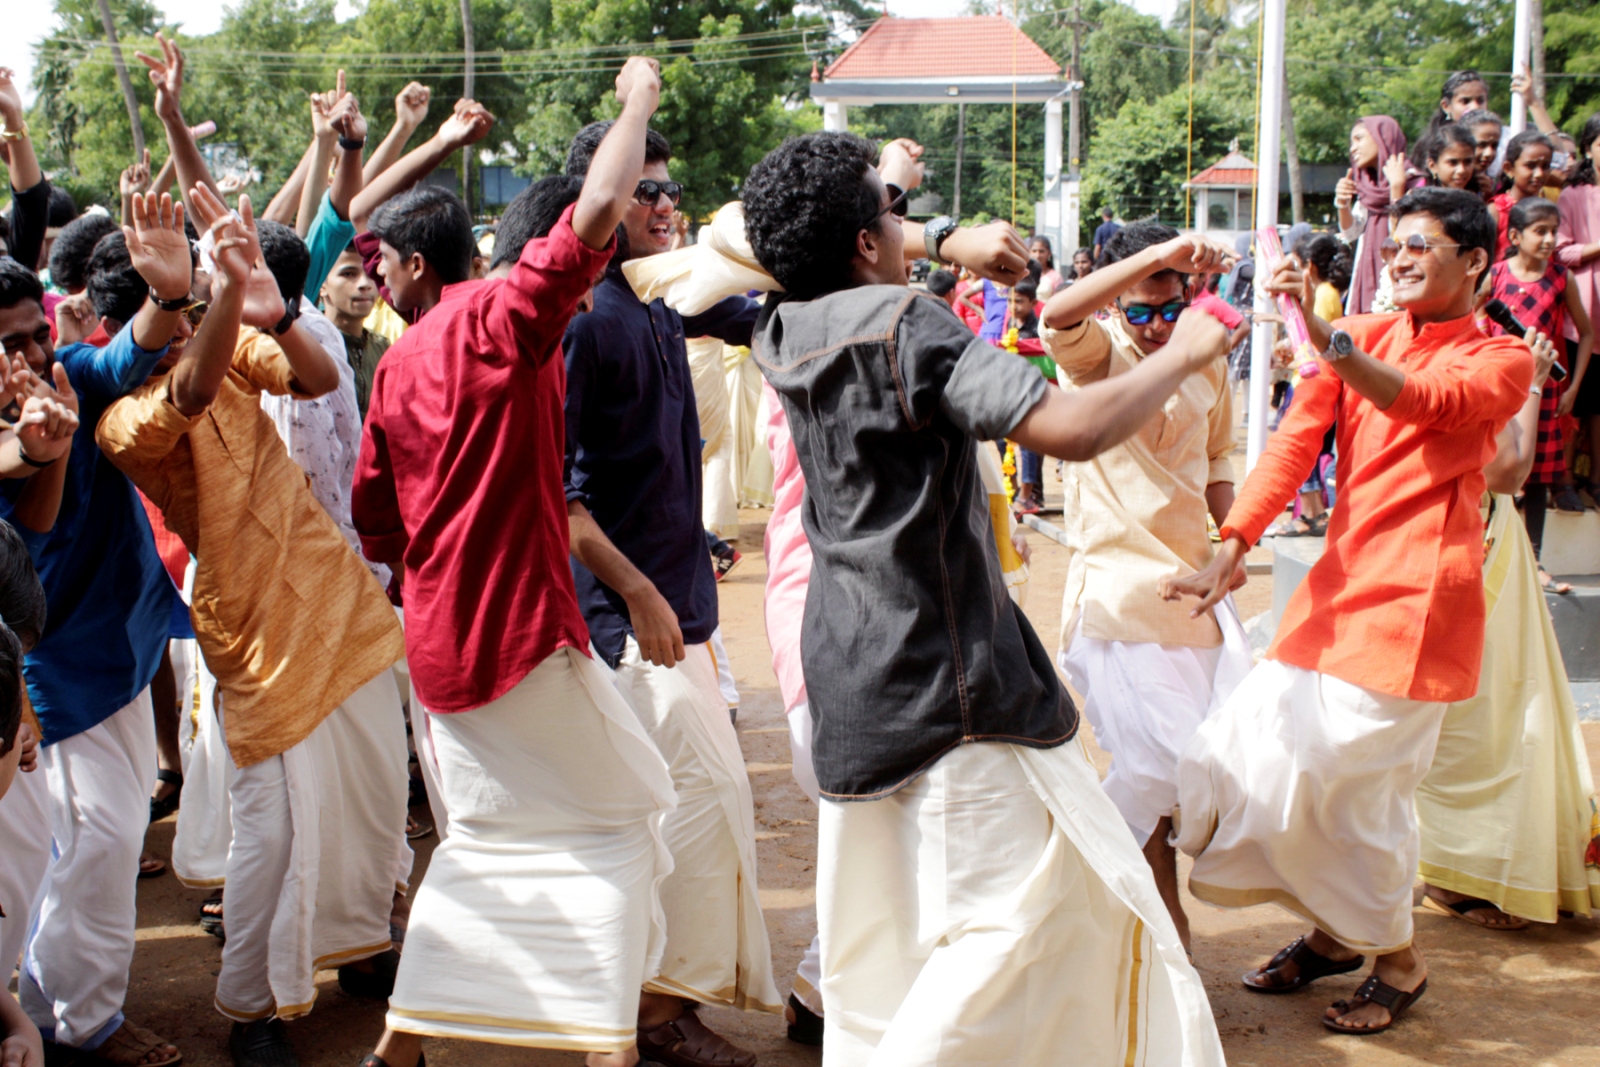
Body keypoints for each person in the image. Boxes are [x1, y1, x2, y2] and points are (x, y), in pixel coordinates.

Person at [741, 129, 1229, 1067]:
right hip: (946, 684)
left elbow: (751, 227)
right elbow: (1070, 426)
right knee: (1018, 931)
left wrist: (936, 236)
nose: (907, 222)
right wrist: (1187, 352)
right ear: (863, 242)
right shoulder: (905, 324)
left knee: (884, 954)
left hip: (848, 674)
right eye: (894, 210)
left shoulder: (777, 325)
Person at [350, 58, 678, 1067]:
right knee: (636, 816)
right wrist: (639, 98)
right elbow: (607, 198)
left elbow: (375, 520)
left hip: (439, 649)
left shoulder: (401, 355)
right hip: (520, 640)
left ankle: (406, 1041)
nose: (580, 311)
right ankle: (602, 1038)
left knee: (487, 846)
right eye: (578, 284)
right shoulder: (505, 321)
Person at [1164, 187, 1534, 1035]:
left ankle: (1396, 958)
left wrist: (1316, 324)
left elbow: (1421, 402)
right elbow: (1296, 444)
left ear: (1474, 261)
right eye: (1394, 245)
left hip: (1417, 609)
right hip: (1334, 594)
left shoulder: (1499, 358)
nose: (1399, 258)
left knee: (1358, 790)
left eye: (1421, 247)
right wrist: (1234, 542)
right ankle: (1337, 936)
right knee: (1246, 753)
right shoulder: (1360, 336)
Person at [98, 185, 407, 1067]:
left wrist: (272, 305)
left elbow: (312, 375)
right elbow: (188, 393)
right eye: (173, 310)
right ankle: (252, 1007)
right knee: (272, 831)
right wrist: (227, 294)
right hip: (254, 632)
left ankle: (359, 945)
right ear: (132, 335)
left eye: (192, 303)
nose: (191, 317)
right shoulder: (121, 421)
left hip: (337, 601)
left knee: (372, 795)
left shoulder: (232, 344)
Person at [561, 114, 780, 1065]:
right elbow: (560, 504)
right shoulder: (582, 323)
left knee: (700, 810)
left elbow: (770, 307)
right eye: (644, 190)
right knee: (678, 811)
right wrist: (640, 596)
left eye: (669, 189)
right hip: (623, 624)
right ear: (602, 201)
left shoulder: (662, 298)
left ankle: (662, 1001)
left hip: (680, 612)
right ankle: (649, 1017)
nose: (665, 204)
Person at [1038, 221, 1252, 949]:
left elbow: (1220, 460)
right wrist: (1160, 255)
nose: (1159, 326)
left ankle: (1085, 900)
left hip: (1197, 596)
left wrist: (1234, 544)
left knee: (1199, 773)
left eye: (1171, 307)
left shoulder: (1208, 358)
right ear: (1115, 308)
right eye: (1141, 310)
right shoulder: (1096, 357)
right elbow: (1055, 315)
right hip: (1117, 596)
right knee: (1155, 769)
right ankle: (1149, 917)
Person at [1415, 329, 1600, 929]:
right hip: (1466, 543)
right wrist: (1533, 384)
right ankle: (1450, 867)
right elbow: (1507, 471)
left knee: (1489, 711)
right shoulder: (1462, 362)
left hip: (1484, 539)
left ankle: (1459, 867)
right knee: (1480, 710)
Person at [1485, 197, 1593, 555]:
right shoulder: (1496, 275)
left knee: (1538, 475)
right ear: (1515, 235)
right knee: (1495, 467)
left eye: (1553, 231)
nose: (1549, 239)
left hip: (1542, 389)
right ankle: (1493, 549)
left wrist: (1573, 388)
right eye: (1539, 231)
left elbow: (1587, 332)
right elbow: (1472, 320)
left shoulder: (1561, 278)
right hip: (1499, 387)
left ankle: (1534, 558)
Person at [1556, 112, 1600, 503]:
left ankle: (1596, 479)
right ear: (1589, 147)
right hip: (1585, 311)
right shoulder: (1573, 195)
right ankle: (1565, 479)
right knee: (1577, 396)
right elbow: (1562, 250)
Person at [1337, 116, 1409, 315]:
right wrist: (1343, 203)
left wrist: (1397, 189)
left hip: (1401, 279)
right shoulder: (1367, 188)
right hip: (1366, 279)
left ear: (1382, 138)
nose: (1353, 148)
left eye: (1359, 139)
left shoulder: (1414, 181)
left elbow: (1404, 234)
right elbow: (1351, 232)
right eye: (1352, 142)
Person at [319, 244, 390, 419]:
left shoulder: (383, 348)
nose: (365, 284)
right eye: (349, 274)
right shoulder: (311, 345)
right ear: (322, 285)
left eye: (370, 273)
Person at [1489, 131, 1554, 261]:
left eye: (1545, 166)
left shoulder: (1549, 210)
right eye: (1531, 166)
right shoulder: (1496, 211)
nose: (1539, 173)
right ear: (1508, 168)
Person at [1412, 70, 1490, 172]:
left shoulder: (1497, 139)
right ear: (1446, 106)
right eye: (1465, 101)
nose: (1475, 107)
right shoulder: (1436, 143)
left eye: (1480, 101)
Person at [1461, 109, 1505, 198]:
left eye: (1494, 146)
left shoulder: (1495, 185)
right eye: (1481, 145)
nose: (1489, 153)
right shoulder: (1441, 181)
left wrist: (1488, 197)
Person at [1421, 124, 1478, 191]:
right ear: (1432, 166)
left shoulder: (1478, 196)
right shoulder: (1420, 199)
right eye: (1453, 162)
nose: (1461, 170)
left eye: (1467, 162)